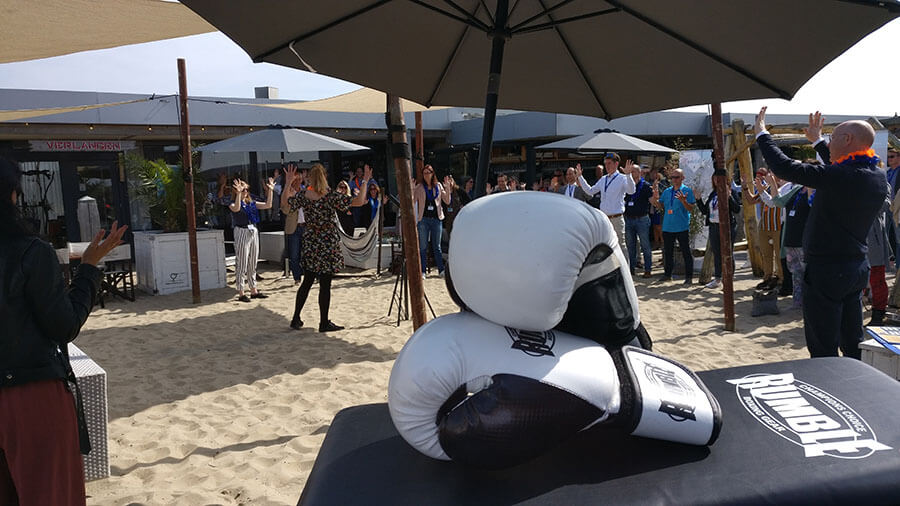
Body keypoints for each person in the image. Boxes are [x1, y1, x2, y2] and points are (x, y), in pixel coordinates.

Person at [0, 158, 127, 505]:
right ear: (12, 196)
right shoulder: (30, 252)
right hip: (30, 397)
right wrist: (88, 269)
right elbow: (64, 325)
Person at [754, 107, 886, 359]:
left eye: (832, 137)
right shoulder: (876, 175)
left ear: (848, 139)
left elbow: (784, 167)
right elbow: (843, 167)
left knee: (822, 344)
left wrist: (762, 134)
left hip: (827, 269)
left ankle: (829, 379)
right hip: (856, 266)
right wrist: (817, 141)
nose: (829, 142)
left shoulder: (840, 176)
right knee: (852, 339)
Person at [284, 163, 370, 332]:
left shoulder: (304, 195)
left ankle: (296, 318)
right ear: (324, 178)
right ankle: (323, 322)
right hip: (327, 241)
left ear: (310, 178)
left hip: (311, 241)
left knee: (307, 281)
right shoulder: (330, 196)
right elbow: (359, 201)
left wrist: (288, 183)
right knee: (325, 283)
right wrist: (365, 180)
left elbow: (286, 205)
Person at [576, 153, 638, 251]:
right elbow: (590, 191)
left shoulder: (622, 178)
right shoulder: (603, 179)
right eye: (605, 164)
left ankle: (626, 262)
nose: (607, 166)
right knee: (606, 247)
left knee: (620, 246)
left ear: (616, 164)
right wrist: (580, 177)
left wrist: (628, 175)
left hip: (616, 218)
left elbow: (631, 191)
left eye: (609, 163)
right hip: (604, 219)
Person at [229, 176, 274, 302]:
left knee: (253, 261)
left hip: (252, 230)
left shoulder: (251, 203)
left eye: (246, 190)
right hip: (241, 230)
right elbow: (236, 208)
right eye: (243, 190)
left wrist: (270, 190)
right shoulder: (233, 203)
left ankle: (253, 290)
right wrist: (238, 194)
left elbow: (268, 205)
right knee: (242, 262)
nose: (245, 192)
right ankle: (241, 292)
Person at [696, 175, 742, 289]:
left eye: (719, 178)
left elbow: (737, 209)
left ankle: (729, 279)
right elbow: (705, 211)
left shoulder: (731, 191)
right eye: (715, 179)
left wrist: (729, 196)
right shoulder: (713, 193)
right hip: (714, 226)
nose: (717, 180)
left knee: (728, 252)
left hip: (728, 226)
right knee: (717, 253)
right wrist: (698, 199)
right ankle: (717, 279)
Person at [651, 168, 696, 284]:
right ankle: (667, 275)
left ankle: (689, 277)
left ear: (682, 178)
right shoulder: (667, 191)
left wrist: (683, 201)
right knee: (668, 252)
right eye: (672, 177)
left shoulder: (687, 191)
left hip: (681, 226)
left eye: (677, 177)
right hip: (668, 226)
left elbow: (691, 209)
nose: (674, 180)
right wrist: (655, 199)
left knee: (686, 252)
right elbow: (660, 206)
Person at [746, 168, 785, 291]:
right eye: (769, 173)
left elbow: (774, 202)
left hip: (778, 226)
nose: (769, 175)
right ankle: (767, 278)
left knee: (779, 255)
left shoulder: (785, 188)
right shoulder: (767, 188)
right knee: (766, 254)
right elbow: (751, 200)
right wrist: (745, 187)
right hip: (764, 226)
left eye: (772, 173)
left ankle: (781, 279)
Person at [414, 164, 451, 278]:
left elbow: (447, 201)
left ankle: (441, 270)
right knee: (423, 247)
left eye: (428, 173)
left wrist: (448, 188)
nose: (426, 175)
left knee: (437, 246)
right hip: (423, 220)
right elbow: (412, 201)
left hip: (436, 219)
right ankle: (423, 271)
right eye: (424, 173)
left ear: (432, 174)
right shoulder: (419, 187)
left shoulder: (438, 185)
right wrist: (411, 189)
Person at [623, 165, 654, 278]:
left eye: (634, 171)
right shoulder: (626, 185)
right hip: (628, 219)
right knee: (630, 246)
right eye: (630, 172)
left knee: (645, 245)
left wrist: (656, 196)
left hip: (642, 219)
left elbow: (652, 201)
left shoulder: (646, 186)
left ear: (640, 173)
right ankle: (630, 270)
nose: (631, 173)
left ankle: (648, 270)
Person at [280, 164, 307, 285]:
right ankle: (297, 278)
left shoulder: (305, 191)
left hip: (306, 226)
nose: (298, 181)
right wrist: (288, 184)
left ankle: (310, 275)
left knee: (308, 253)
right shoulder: (288, 191)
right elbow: (284, 208)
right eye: (296, 178)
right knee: (294, 255)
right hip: (294, 227)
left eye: (300, 178)